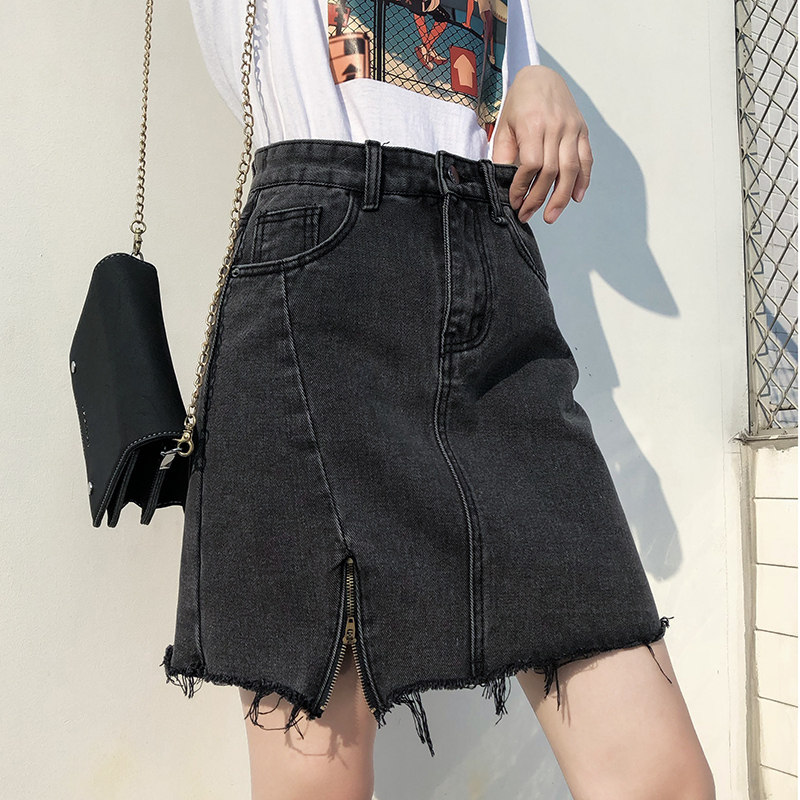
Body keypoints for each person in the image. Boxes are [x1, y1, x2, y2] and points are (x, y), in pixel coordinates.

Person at [162, 2, 716, 798]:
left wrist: (533, 76)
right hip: (319, 290)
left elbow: (487, 73)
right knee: (314, 780)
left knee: (660, 777)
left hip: (493, 271)